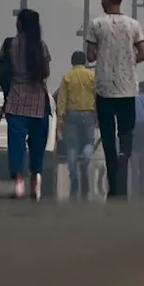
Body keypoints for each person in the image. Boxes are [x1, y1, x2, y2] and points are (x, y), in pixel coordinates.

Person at [85, 0, 144, 200]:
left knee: (108, 139)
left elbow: (91, 55)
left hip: (104, 89)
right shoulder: (133, 25)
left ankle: (114, 186)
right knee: (125, 135)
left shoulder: (96, 24)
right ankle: (124, 161)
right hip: (128, 88)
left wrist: (106, 58)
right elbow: (143, 53)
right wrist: (128, 63)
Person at [4, 8, 52, 200]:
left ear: (20, 24)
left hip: (16, 99)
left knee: (16, 142)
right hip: (37, 101)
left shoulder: (11, 45)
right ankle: (36, 176)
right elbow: (46, 72)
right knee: (37, 143)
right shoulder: (41, 46)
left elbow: (6, 71)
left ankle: (17, 179)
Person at [56, 51, 97, 200]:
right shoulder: (92, 76)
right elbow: (97, 96)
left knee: (72, 147)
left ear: (72, 62)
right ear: (85, 62)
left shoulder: (67, 77)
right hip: (88, 114)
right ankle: (86, 157)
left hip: (71, 115)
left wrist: (60, 118)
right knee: (89, 141)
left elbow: (61, 99)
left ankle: (74, 180)